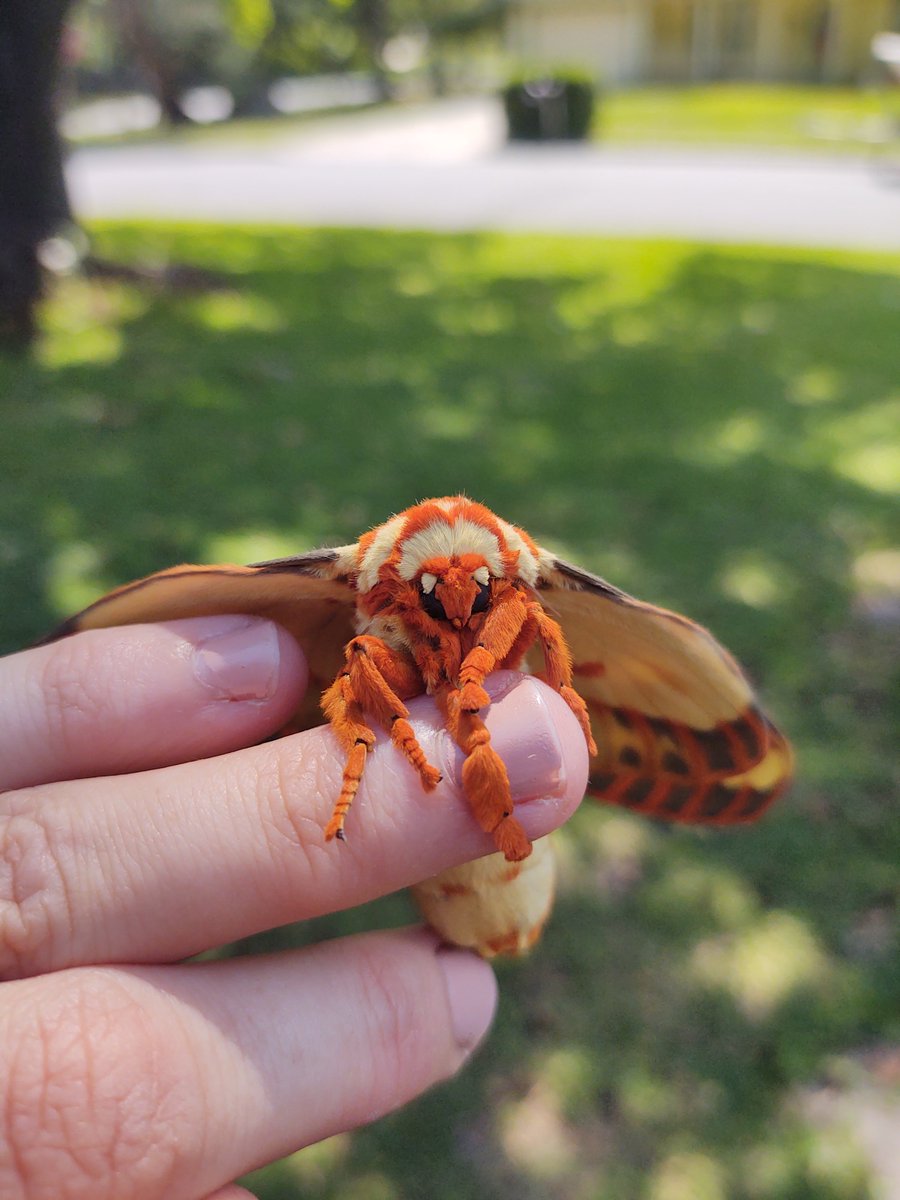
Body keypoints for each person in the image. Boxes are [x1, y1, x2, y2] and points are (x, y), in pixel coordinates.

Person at [0, 614, 588, 1199]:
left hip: (490, 821)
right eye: (430, 596)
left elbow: (533, 618)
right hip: (454, 802)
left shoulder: (516, 609)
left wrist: (559, 693)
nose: (455, 613)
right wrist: (399, 737)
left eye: (482, 596)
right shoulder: (384, 637)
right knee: (362, 654)